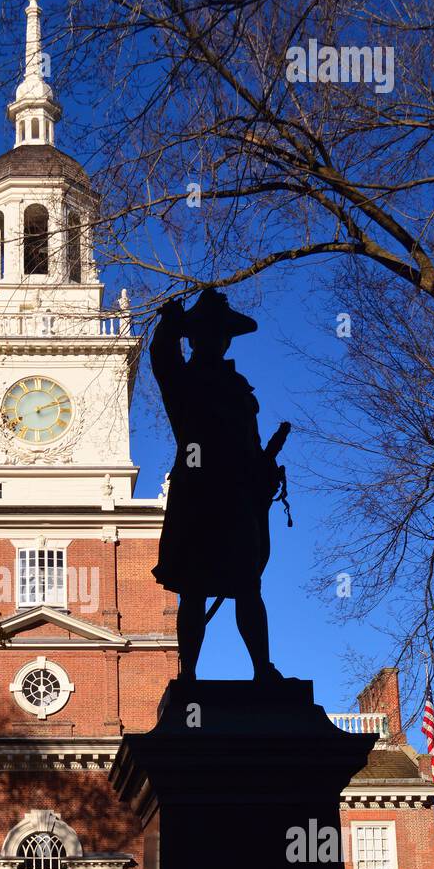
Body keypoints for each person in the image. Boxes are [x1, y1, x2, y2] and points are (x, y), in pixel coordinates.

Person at [150, 288, 286, 683]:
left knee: (248, 585)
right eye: (208, 332)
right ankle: (188, 676)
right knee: (193, 589)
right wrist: (168, 325)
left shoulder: (239, 387)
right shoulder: (184, 381)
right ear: (193, 338)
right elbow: (162, 358)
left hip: (240, 493)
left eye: (222, 332)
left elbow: (249, 443)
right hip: (199, 493)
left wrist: (265, 466)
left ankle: (263, 670)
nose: (216, 339)